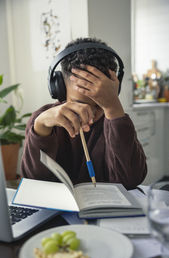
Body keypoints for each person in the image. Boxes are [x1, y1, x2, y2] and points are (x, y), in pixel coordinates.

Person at [21, 37, 147, 190]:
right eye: (79, 104)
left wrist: (113, 108)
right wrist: (40, 128)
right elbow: (33, 182)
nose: (90, 116)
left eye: (101, 104)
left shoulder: (117, 122)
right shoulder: (43, 120)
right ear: (59, 88)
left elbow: (130, 180)